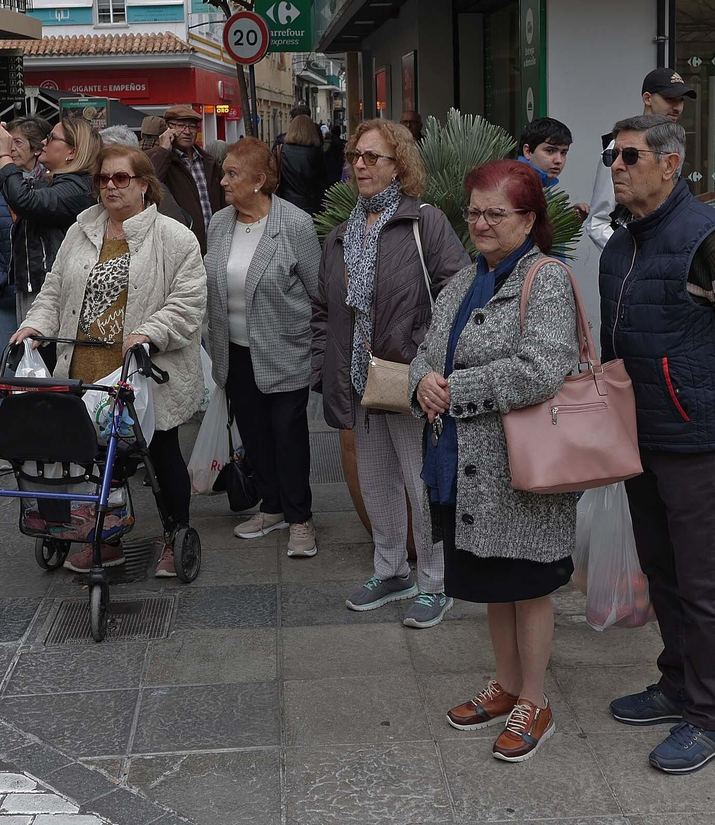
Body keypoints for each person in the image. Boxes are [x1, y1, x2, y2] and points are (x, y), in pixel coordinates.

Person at [598, 115, 715, 773]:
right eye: (611, 155)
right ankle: (677, 685)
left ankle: (712, 718)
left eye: (629, 155)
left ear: (670, 164)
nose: (616, 166)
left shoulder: (710, 236)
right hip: (641, 439)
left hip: (700, 439)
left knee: (705, 583)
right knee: (665, 574)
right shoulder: (619, 247)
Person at [409, 160, 580, 762]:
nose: (479, 223)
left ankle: (535, 700)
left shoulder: (546, 278)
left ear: (529, 219)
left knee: (528, 586)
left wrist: (456, 387)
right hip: (463, 464)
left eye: (494, 213)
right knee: (493, 583)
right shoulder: (463, 279)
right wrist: (423, 382)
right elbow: (426, 351)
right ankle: (506, 685)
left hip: (521, 468)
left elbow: (544, 367)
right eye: (473, 212)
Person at [10, 144, 207, 577]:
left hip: (146, 373)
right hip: (84, 370)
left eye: (121, 178)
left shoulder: (174, 238)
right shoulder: (81, 232)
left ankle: (175, 535)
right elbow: (54, 291)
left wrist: (149, 332)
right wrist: (34, 326)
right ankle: (108, 538)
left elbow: (189, 302)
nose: (110, 187)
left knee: (161, 454)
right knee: (98, 459)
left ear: (143, 185)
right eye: (103, 179)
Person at [312, 118, 469, 627]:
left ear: (398, 165)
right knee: (377, 481)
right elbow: (323, 309)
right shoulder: (340, 235)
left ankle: (435, 582)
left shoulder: (424, 223)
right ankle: (391, 569)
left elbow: (459, 293)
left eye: (372, 157)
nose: (359, 164)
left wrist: (427, 359)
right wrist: (326, 362)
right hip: (358, 380)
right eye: (355, 155)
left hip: (409, 378)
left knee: (422, 484)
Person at [206, 137, 323, 558]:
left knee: (288, 437)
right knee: (255, 437)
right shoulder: (220, 223)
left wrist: (318, 351)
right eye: (225, 172)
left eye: (232, 174)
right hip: (234, 352)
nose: (223, 181)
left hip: (285, 352)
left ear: (259, 180)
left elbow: (319, 293)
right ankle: (272, 507)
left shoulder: (293, 225)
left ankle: (300, 519)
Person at [0, 115, 98, 323]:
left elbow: (24, 201)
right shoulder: (57, 181)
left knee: (42, 353)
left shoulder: (75, 187)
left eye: (51, 138)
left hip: (51, 289)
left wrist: (5, 153)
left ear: (72, 151)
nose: (43, 142)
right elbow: (13, 189)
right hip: (40, 284)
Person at [585, 68, 695, 249]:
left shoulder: (675, 143)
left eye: (681, 100)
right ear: (647, 98)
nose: (677, 107)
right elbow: (598, 221)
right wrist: (632, 254)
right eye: (670, 99)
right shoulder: (619, 147)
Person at [0, 119, 50, 358]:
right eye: (6, 142)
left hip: (46, 297)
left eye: (17, 142)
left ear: (37, 148)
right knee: (10, 369)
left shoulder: (52, 185)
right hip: (7, 299)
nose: (9, 149)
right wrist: (3, 281)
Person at [147, 104, 225, 253]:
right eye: (181, 126)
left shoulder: (208, 162)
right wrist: (163, 150)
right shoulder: (161, 159)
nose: (187, 131)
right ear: (168, 129)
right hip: (179, 247)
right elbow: (149, 182)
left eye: (192, 127)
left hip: (214, 245)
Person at [275, 113, 330, 214]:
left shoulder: (281, 151)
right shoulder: (316, 153)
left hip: (286, 204)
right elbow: (323, 181)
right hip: (312, 206)